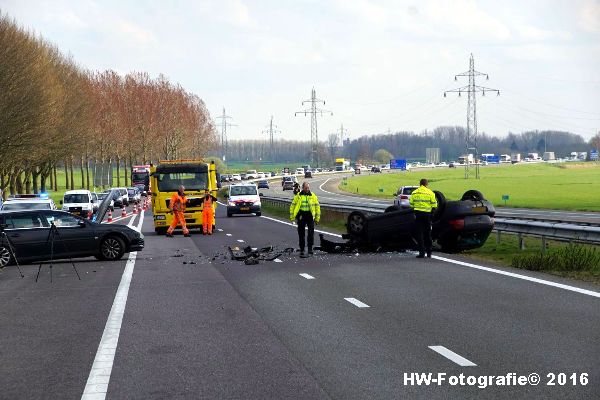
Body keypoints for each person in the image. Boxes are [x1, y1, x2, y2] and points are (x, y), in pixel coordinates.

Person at [290, 181, 321, 258]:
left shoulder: (313, 196)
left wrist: (317, 218)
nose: (307, 189)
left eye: (308, 188)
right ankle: (302, 249)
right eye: (306, 188)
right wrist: (292, 218)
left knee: (311, 233)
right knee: (301, 234)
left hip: (310, 216)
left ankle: (310, 249)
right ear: (303, 188)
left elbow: (317, 207)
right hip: (301, 216)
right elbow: (292, 206)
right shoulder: (298, 196)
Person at [409, 178, 437, 258]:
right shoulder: (430, 193)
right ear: (426, 184)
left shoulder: (414, 192)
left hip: (418, 215)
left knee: (419, 234)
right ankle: (429, 252)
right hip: (427, 215)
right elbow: (434, 205)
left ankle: (422, 253)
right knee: (428, 234)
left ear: (420, 184)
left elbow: (411, 204)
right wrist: (432, 214)